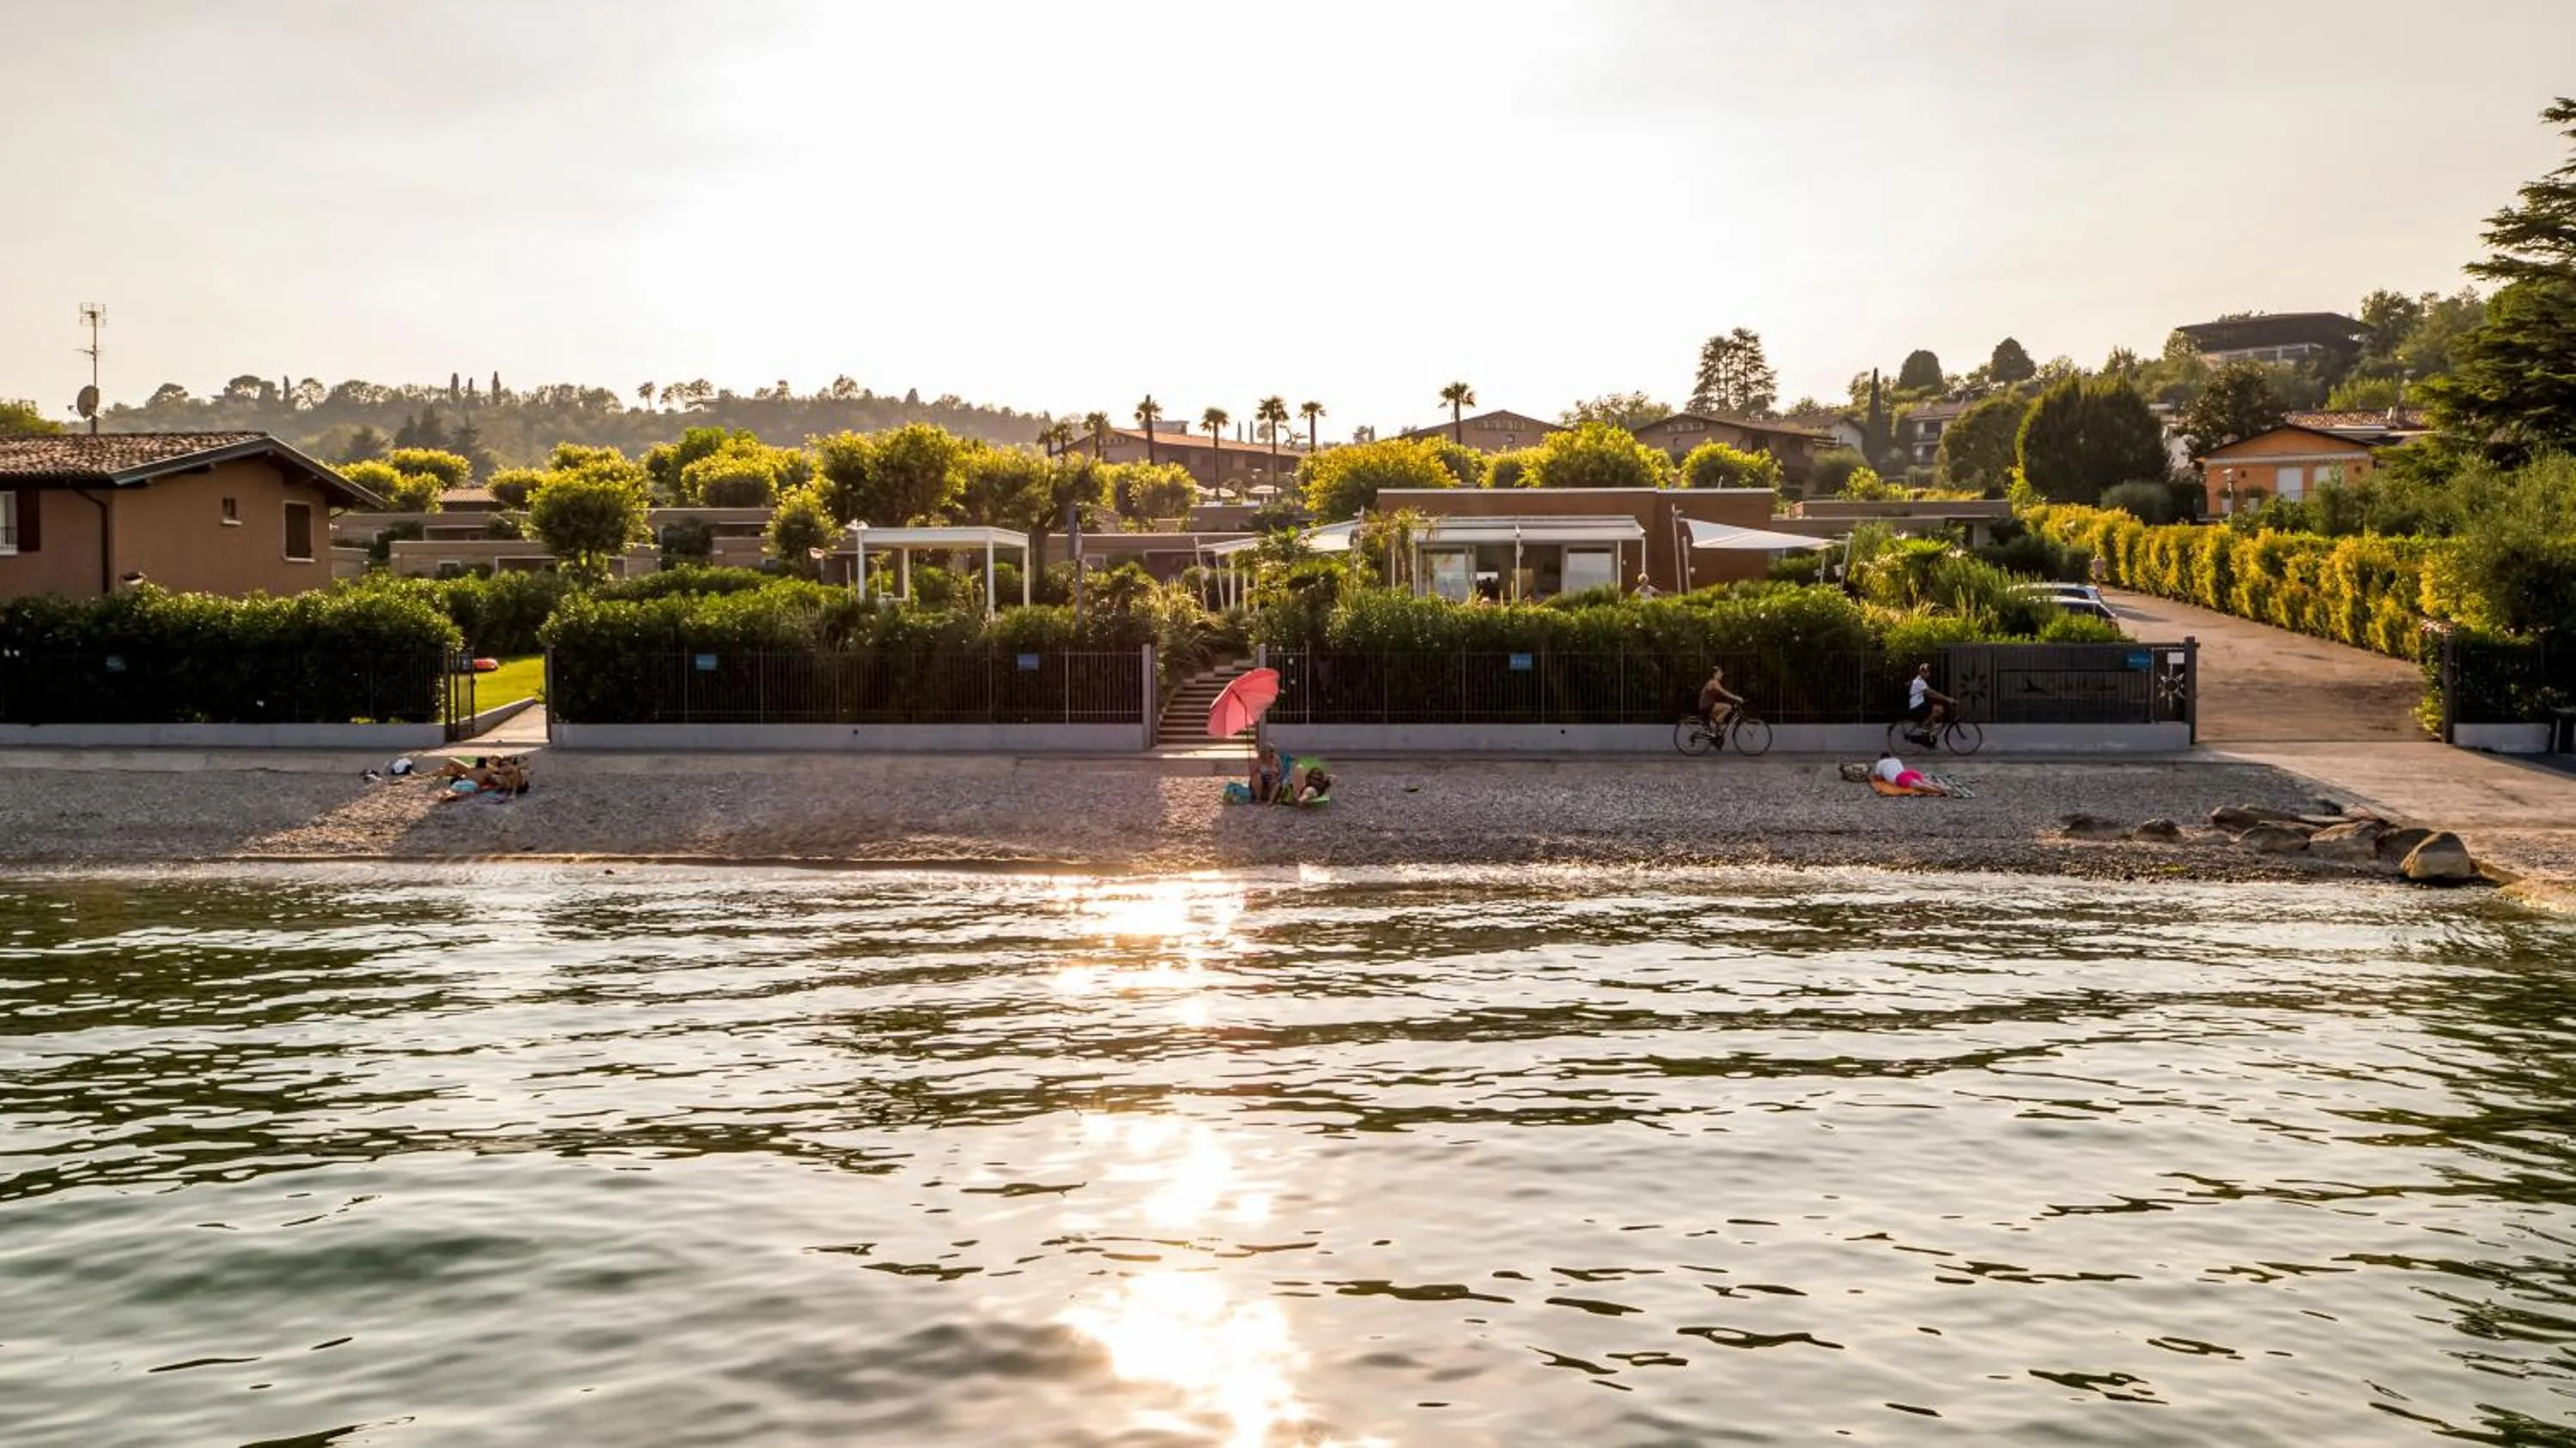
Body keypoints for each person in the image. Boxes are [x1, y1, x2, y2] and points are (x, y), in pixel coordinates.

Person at [1904, 662, 1953, 745]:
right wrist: (1947, 698)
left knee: (1933, 715)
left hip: (1919, 705)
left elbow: (1931, 694)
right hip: (1917, 707)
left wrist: (1943, 698)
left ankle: (1929, 739)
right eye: (1925, 672)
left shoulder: (1921, 681)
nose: (1928, 673)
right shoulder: (1919, 682)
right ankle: (1924, 731)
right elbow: (1931, 693)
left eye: (1928, 671)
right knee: (1939, 709)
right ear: (1920, 672)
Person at [1873, 751, 1953, 796]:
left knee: (1922, 786)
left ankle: (1943, 791)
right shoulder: (1896, 759)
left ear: (1881, 758)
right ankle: (1945, 787)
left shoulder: (1880, 763)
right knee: (1927, 782)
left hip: (1900, 778)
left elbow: (1878, 777)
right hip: (1909, 772)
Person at [1697, 665, 1743, 733]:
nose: (1722, 674)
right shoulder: (1713, 682)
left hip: (1706, 705)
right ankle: (1714, 725)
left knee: (1720, 718)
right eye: (1720, 672)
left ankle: (1715, 732)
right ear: (1715, 674)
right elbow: (1724, 692)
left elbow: (1722, 694)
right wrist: (1736, 697)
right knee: (1728, 707)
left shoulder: (1711, 682)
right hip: (1707, 706)